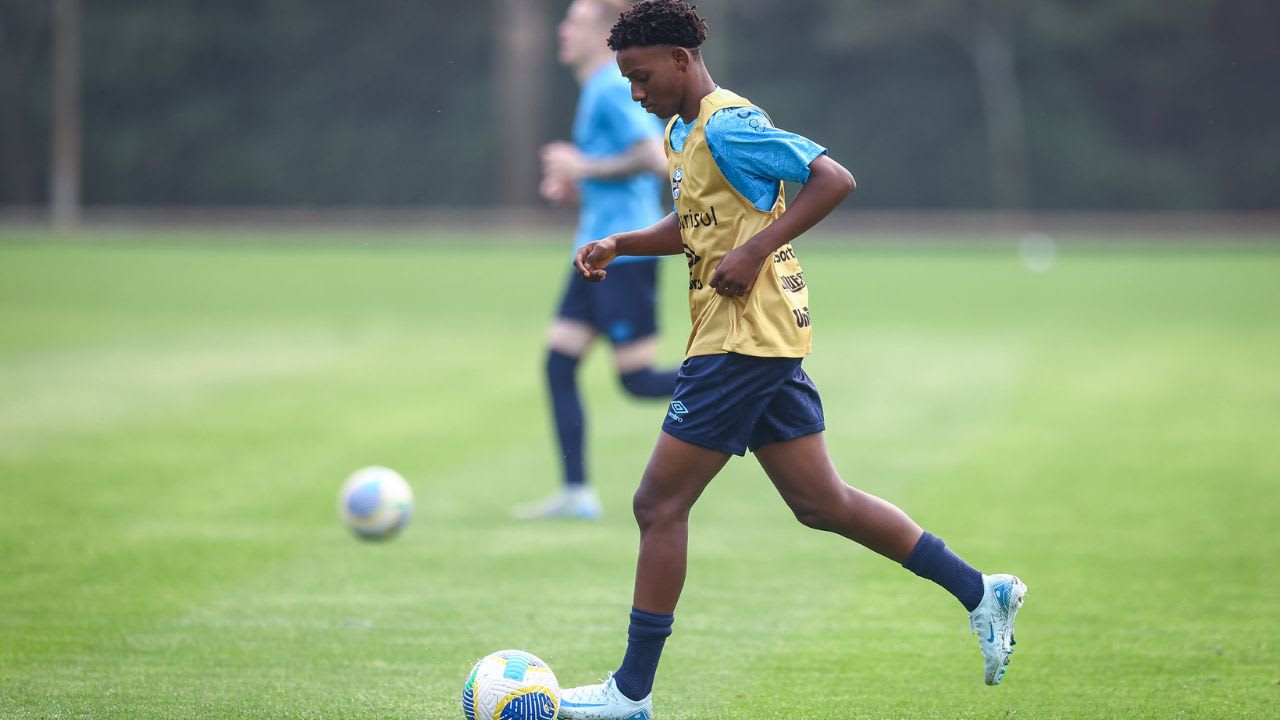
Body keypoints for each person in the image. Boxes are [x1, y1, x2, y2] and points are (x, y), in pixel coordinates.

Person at [556, 2, 1028, 717]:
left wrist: (754, 250)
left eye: (642, 75)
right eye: (626, 79)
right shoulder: (683, 131)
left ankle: (630, 693)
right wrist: (622, 242)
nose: (636, 92)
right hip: (760, 337)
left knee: (658, 505)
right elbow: (697, 228)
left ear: (681, 60)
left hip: (742, 341)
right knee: (821, 503)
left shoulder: (729, 123)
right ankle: (981, 590)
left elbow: (833, 178)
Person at [515, 0, 680, 521]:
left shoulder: (611, 86)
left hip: (623, 256)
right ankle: (577, 493)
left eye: (576, 22)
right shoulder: (597, 88)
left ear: (605, 34)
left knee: (636, 380)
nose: (563, 30)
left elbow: (654, 158)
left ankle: (745, 380)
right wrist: (579, 187)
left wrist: (581, 164)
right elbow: (621, 175)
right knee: (558, 364)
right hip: (590, 252)